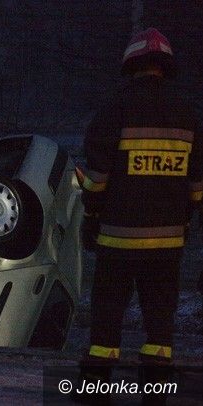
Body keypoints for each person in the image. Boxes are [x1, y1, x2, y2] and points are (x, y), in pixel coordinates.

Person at [76, 28, 203, 405]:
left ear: (131, 65)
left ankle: (96, 390)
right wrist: (185, 220)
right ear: (166, 67)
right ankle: (155, 394)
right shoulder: (188, 115)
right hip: (167, 243)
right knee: (160, 324)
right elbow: (197, 187)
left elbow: (96, 179)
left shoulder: (114, 109)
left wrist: (91, 215)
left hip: (117, 239)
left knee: (106, 319)